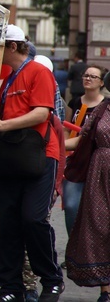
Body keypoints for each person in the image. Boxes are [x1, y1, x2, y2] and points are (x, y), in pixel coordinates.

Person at [0, 25, 64, 302]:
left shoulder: (39, 72)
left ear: (11, 47)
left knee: (33, 219)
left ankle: (51, 280)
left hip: (39, 155)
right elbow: (4, 119)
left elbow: (41, 113)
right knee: (9, 223)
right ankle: (11, 288)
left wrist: (3, 124)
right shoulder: (8, 79)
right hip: (11, 157)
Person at [65, 95, 110, 302]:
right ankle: (105, 291)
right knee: (100, 227)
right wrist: (51, 143)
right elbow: (83, 139)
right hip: (100, 173)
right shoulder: (103, 109)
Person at [63, 64, 106, 236]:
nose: (87, 78)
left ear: (102, 82)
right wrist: (65, 145)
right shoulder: (75, 102)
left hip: (95, 159)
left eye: (93, 76)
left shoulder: (104, 106)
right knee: (71, 205)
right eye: (85, 75)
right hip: (74, 159)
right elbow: (66, 127)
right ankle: (72, 244)